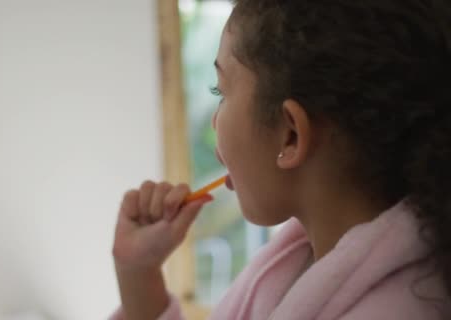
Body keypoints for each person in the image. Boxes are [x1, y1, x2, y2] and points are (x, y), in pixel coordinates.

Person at [110, 0, 451, 319]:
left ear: (290, 135)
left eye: (221, 92)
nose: (214, 122)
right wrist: (138, 276)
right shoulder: (300, 259)